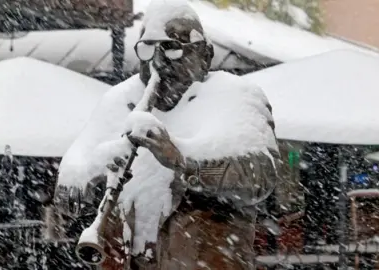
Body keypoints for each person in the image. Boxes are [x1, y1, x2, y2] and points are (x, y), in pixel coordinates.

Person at [53, 0, 281, 269]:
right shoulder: (119, 100)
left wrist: (185, 163)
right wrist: (91, 173)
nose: (159, 61)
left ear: (205, 55)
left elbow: (261, 176)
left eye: (173, 48)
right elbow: (65, 192)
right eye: (148, 47)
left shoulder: (236, 96)